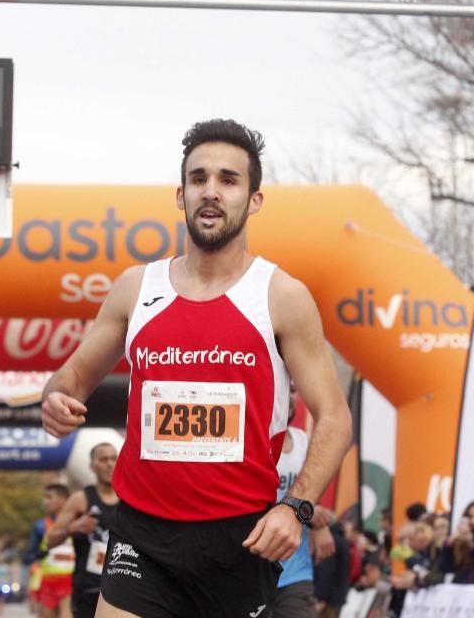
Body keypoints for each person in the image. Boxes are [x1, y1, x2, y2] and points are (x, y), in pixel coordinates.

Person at [41, 118, 352, 618]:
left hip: (240, 539)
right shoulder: (135, 288)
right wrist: (54, 398)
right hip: (142, 533)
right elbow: (71, 378)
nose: (211, 191)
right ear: (180, 195)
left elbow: (334, 417)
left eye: (229, 180)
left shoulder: (282, 297)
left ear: (254, 199)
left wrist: (295, 507)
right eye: (199, 178)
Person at [273, 382, 333, 618]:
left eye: (294, 390)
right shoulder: (252, 443)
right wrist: (304, 512)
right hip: (250, 571)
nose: (290, 397)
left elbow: (313, 500)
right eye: (283, 388)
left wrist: (320, 524)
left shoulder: (303, 441)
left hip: (295, 573)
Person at [46, 444, 118, 618]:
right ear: (92, 466)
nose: (109, 464)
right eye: (103, 459)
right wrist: (73, 528)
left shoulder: (130, 498)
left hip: (120, 587)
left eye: (113, 458)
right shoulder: (81, 499)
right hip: (88, 588)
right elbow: (50, 540)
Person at [23, 483, 75, 618]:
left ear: (63, 499)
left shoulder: (77, 523)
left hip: (70, 584)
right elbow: (29, 557)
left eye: (49, 497)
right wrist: (41, 554)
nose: (45, 501)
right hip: (47, 584)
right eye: (45, 497)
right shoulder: (41, 526)